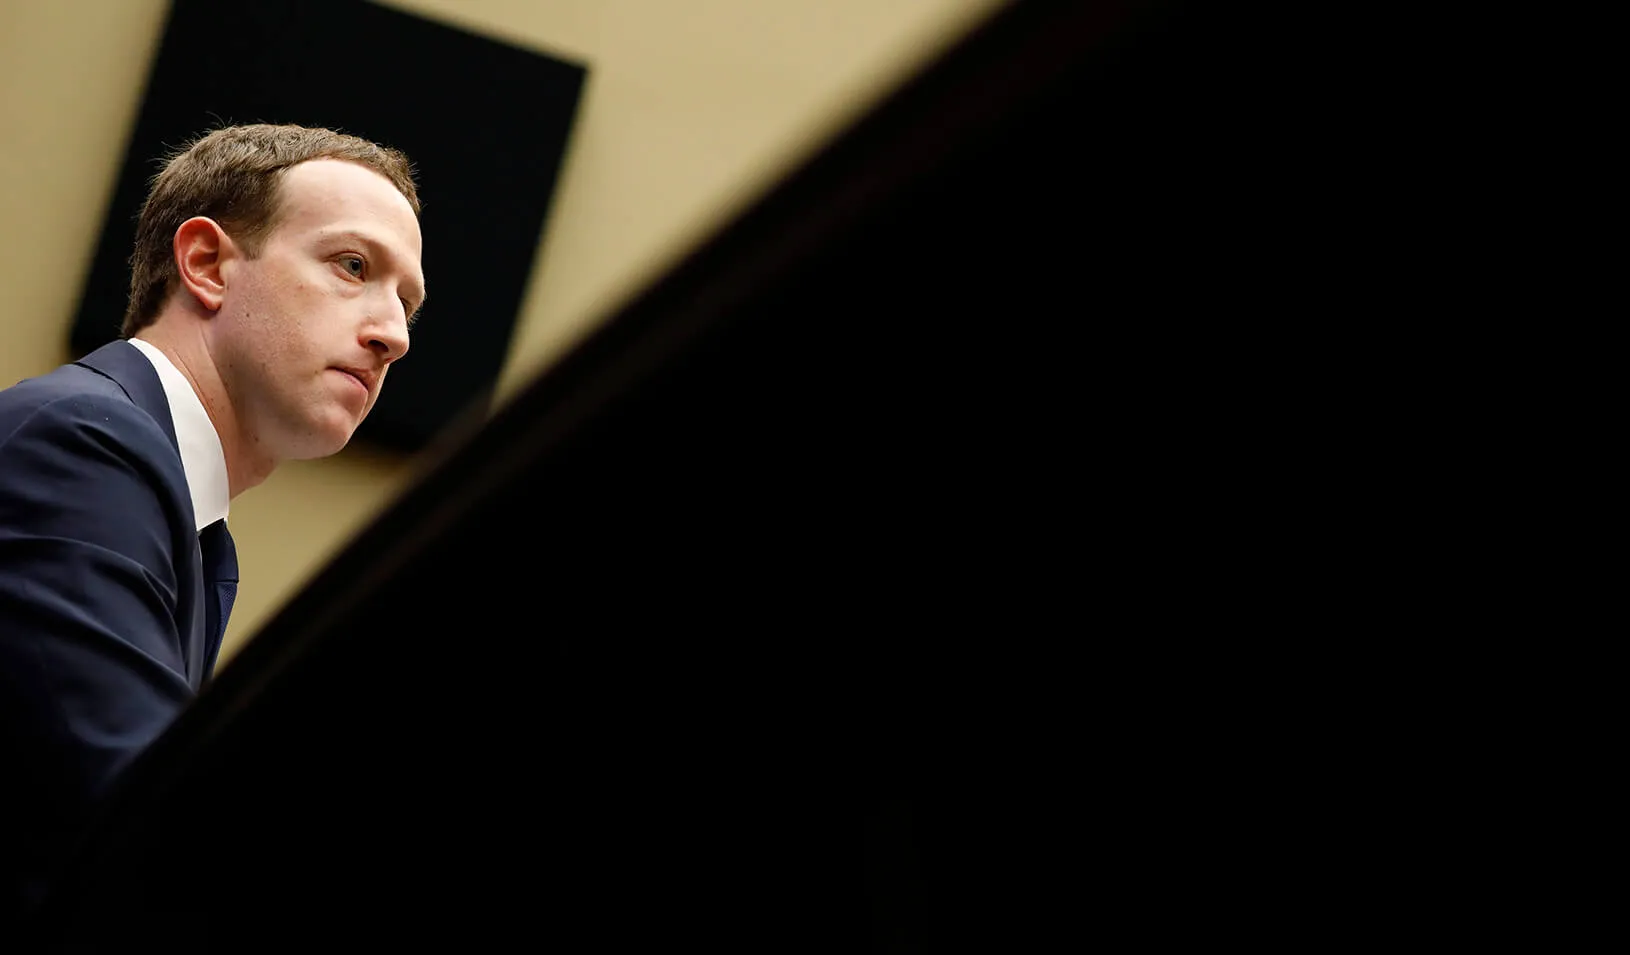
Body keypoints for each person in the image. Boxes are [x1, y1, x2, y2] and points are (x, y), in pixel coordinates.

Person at [0, 123, 425, 925]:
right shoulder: (84, 442)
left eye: (406, 303)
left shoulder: (201, 538)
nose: (393, 335)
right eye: (354, 266)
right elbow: (147, 828)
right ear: (206, 263)